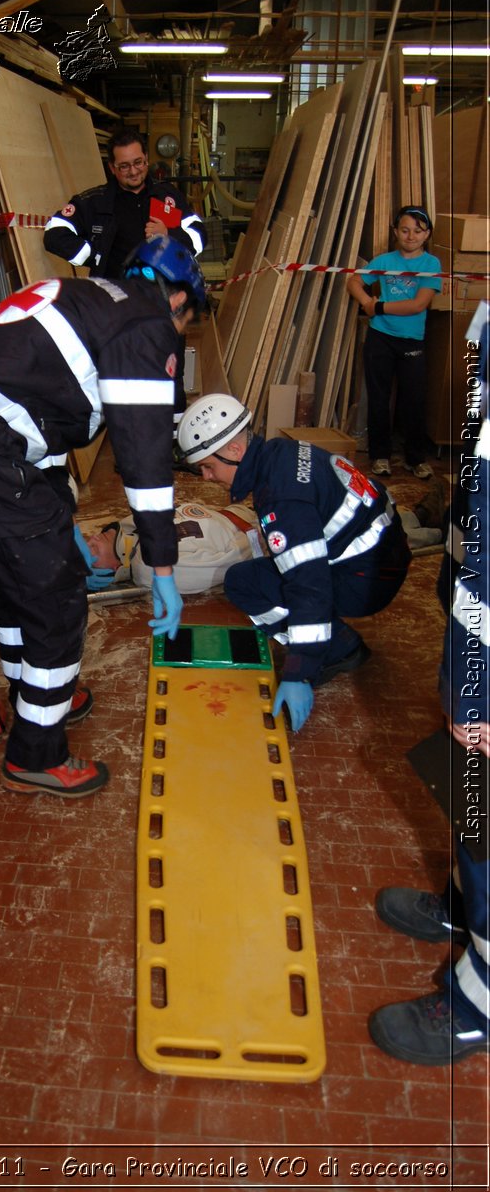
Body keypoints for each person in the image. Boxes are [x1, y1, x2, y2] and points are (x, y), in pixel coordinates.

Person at [0, 236, 207, 799]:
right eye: (188, 323)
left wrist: (54, 506)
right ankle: (36, 754)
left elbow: (39, 403)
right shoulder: (145, 323)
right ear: (179, 300)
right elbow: (143, 461)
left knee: (9, 575)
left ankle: (39, 700)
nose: (180, 337)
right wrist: (162, 567)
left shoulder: (88, 295)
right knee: (54, 594)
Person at [368, 304, 489, 1065]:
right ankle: (461, 903)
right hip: (475, 619)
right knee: (466, 789)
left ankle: (479, 1002)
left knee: (487, 805)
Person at [176, 393, 412, 732]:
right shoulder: (281, 452)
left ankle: (335, 648)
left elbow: (309, 585)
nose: (206, 478)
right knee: (271, 571)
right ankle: (335, 639)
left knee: (245, 584)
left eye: (208, 467)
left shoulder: (282, 496)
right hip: (383, 558)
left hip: (367, 580)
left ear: (233, 450)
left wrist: (299, 672)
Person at [43, 127, 207, 419]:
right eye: (124, 166)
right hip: (116, 306)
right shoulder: (95, 202)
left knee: (171, 372)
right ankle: (132, 447)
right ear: (112, 167)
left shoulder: (169, 198)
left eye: (138, 162)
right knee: (124, 377)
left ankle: (173, 445)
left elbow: (199, 234)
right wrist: (92, 253)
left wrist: (169, 235)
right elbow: (55, 232)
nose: (133, 171)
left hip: (164, 303)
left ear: (146, 158)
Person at [346, 205, 442, 481]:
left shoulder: (431, 265)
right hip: (380, 338)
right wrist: (366, 302)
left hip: (411, 340)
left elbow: (418, 304)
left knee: (413, 400)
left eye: (417, 231)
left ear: (427, 235)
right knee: (378, 399)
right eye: (404, 230)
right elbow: (354, 281)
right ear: (395, 232)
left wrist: (379, 307)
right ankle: (380, 456)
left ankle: (415, 458)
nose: (410, 236)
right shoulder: (385, 260)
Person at [81, 501, 260, 594]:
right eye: (93, 549)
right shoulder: (148, 565)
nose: (93, 538)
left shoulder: (131, 526)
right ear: (112, 569)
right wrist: (258, 535)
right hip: (261, 532)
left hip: (246, 511)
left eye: (85, 540)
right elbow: (228, 562)